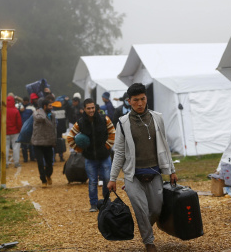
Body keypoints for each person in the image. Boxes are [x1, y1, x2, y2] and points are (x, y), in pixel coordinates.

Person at [107, 83, 177, 252]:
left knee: (155, 209)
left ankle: (145, 228)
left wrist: (172, 170)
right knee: (141, 209)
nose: (140, 103)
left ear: (146, 98)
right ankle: (149, 242)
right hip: (133, 177)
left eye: (143, 99)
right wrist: (113, 178)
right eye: (136, 100)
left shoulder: (157, 118)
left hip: (154, 173)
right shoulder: (123, 123)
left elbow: (165, 146)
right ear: (129, 101)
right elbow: (119, 153)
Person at [67, 98, 115, 212]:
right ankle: (93, 204)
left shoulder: (104, 119)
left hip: (104, 156)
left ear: (95, 108)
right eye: (88, 108)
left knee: (107, 179)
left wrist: (107, 147)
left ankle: (106, 201)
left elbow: (112, 132)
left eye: (93, 108)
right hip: (90, 158)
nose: (91, 110)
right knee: (92, 181)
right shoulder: (80, 122)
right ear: (84, 109)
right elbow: (70, 137)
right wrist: (80, 149)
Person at [32, 98, 57, 188]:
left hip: (49, 142)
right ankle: (43, 179)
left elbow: (54, 128)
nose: (51, 107)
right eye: (50, 106)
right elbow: (41, 118)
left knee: (49, 163)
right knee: (40, 163)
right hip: (38, 142)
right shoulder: (37, 113)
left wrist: (54, 140)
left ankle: (48, 175)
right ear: (44, 106)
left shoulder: (52, 115)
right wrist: (41, 110)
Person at [0, 96, 22, 168]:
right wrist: (19, 130)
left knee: (5, 147)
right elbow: (19, 122)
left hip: (5, 132)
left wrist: (1, 131)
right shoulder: (16, 111)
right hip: (15, 132)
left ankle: (5, 163)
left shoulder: (2, 111)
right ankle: (16, 162)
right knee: (16, 147)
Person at [20, 96, 36, 162]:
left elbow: (35, 116)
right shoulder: (20, 107)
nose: (24, 102)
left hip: (30, 127)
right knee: (24, 144)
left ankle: (32, 157)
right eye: (24, 101)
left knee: (31, 144)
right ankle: (25, 158)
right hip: (23, 127)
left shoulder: (31, 108)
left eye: (26, 101)